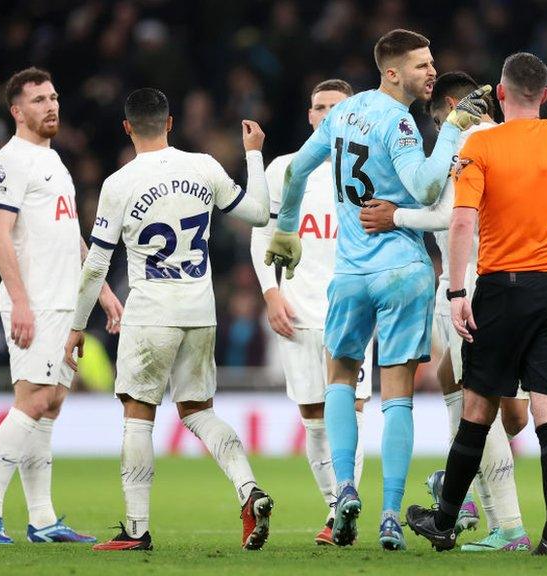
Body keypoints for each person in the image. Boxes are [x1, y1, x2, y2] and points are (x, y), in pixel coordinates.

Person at [263, 29, 490, 550]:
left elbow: (297, 168)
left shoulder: (345, 113)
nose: (432, 72)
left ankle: (345, 491)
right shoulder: (403, 125)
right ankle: (389, 513)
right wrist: (454, 129)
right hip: (403, 270)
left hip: (350, 273)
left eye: (432, 63)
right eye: (421, 66)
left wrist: (285, 229)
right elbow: (428, 187)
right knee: (397, 397)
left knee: (339, 380)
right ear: (392, 72)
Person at [404, 51, 547, 556]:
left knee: (476, 406)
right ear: (546, 96)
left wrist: (455, 289)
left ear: (503, 94)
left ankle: (446, 521)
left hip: (502, 286)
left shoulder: (481, 146)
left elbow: (462, 221)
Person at [64, 88, 274, 551]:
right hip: (201, 312)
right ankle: (248, 489)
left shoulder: (119, 184)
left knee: (139, 414)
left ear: (127, 128)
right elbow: (260, 214)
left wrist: (77, 325)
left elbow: (96, 265)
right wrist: (253, 156)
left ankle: (136, 530)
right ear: (170, 122)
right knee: (199, 411)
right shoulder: (204, 167)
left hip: (151, 313)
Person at [358, 70, 530, 551]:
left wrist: (395, 215)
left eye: (438, 119)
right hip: (514, 279)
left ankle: (507, 525)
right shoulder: (509, 140)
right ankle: (462, 497)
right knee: (453, 382)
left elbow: (448, 217)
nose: (437, 130)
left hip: (470, 281)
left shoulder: (470, 141)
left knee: (481, 410)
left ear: (454, 103)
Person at [0, 67, 123, 545]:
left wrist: (99, 291)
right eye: (39, 100)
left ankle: (42, 519)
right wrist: (19, 301)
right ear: (17, 111)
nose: (51, 106)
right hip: (34, 301)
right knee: (32, 400)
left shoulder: (55, 162)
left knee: (52, 404)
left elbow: (70, 236)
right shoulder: (8, 162)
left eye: (54, 97)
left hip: (64, 302)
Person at [250, 78, 372, 546]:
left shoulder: (369, 170)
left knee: (353, 411)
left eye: (335, 107)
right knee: (313, 415)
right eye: (318, 106)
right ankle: (336, 507)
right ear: (309, 116)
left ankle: (344, 500)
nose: (325, 114)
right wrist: (271, 294)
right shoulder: (285, 168)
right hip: (297, 310)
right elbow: (261, 232)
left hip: (354, 307)